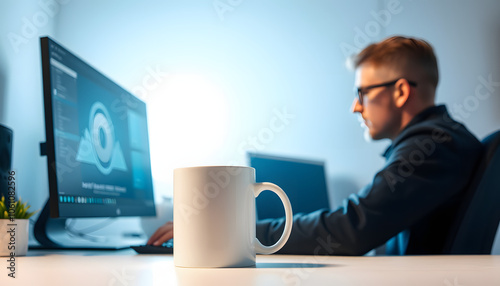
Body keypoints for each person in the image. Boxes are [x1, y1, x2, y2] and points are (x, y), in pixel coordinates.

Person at [148, 36, 482, 255]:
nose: (356, 106)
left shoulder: (433, 147)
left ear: (400, 92)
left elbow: (352, 227)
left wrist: (222, 231)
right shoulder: (438, 142)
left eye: (362, 92)